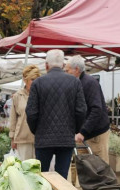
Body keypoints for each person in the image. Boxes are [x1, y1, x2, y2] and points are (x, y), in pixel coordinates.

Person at [25, 49, 86, 179]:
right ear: (63, 65)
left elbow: (31, 112)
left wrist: (36, 130)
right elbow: (81, 110)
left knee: (41, 177)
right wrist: (74, 129)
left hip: (43, 139)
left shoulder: (37, 83)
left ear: (46, 65)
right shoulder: (75, 82)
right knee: (62, 177)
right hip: (66, 138)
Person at [64, 55, 111, 166]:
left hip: (96, 134)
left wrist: (83, 131)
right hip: (84, 134)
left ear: (76, 70)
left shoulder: (90, 83)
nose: (65, 73)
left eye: (67, 70)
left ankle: (103, 184)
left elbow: (96, 109)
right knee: (86, 167)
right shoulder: (77, 83)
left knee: (100, 166)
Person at [9, 65, 41, 161]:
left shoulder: (42, 95)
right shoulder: (17, 96)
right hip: (22, 138)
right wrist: (12, 138)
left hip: (39, 139)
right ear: (25, 80)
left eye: (36, 79)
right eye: (32, 79)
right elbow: (13, 118)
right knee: (24, 169)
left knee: (39, 169)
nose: (34, 82)